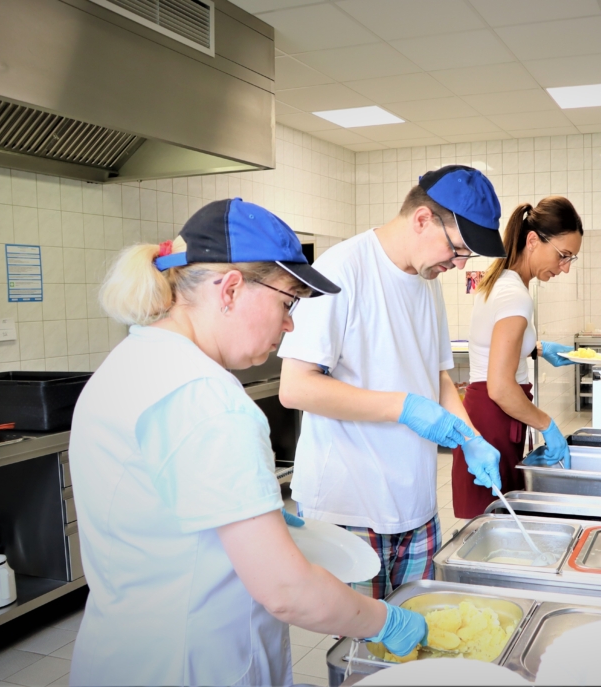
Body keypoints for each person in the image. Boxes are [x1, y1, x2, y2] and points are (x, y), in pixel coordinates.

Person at [68, 199, 427, 687]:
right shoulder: (210, 401)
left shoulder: (130, 362)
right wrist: (386, 621)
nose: (290, 324)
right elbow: (286, 590)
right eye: (287, 302)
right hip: (197, 665)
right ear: (231, 289)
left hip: (122, 653)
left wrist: (262, 519)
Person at [278, 166, 506, 599]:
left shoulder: (427, 280)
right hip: (348, 506)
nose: (459, 265)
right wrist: (403, 406)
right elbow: (296, 387)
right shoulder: (342, 269)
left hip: (416, 505)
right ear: (422, 219)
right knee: (361, 636)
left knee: (417, 628)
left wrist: (471, 438)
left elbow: (436, 375)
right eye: (458, 249)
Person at [452, 197, 584, 519]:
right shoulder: (515, 295)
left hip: (488, 417)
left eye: (571, 258)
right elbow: (499, 386)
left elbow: (496, 345)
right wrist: (546, 423)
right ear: (533, 240)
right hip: (494, 420)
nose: (565, 267)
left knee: (490, 525)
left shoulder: (502, 282)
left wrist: (537, 348)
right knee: (491, 527)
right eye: (563, 255)